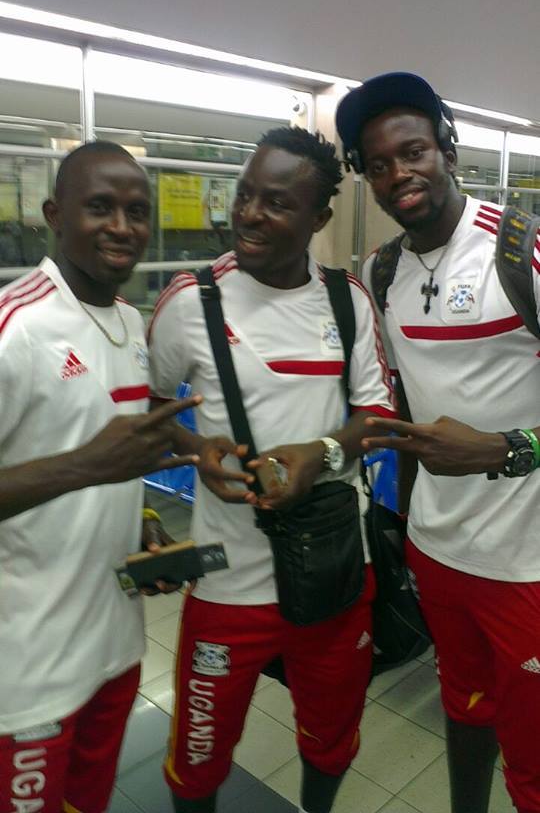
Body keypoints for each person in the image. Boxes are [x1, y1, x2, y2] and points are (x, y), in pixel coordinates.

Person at [148, 125, 395, 813]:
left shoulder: (347, 301)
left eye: (277, 203)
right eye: (246, 194)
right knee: (197, 758)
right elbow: (152, 409)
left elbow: (377, 415)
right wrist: (199, 450)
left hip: (335, 574)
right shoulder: (190, 302)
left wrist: (322, 455)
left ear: (318, 219)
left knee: (330, 739)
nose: (250, 214)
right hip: (226, 582)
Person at [336, 72, 540, 813]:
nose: (399, 174)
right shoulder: (380, 272)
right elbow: (395, 404)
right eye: (378, 164)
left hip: (528, 564)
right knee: (466, 708)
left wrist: (506, 448)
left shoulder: (521, 250)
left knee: (534, 757)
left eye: (413, 150)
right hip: (436, 550)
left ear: (447, 149)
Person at [0, 141, 209, 813]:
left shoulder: (128, 323)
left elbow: (105, 465)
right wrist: (91, 466)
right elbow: (92, 460)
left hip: (117, 646)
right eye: (100, 208)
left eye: (137, 210)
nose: (123, 226)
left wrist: (143, 522)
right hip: (28, 664)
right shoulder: (17, 327)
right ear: (54, 214)